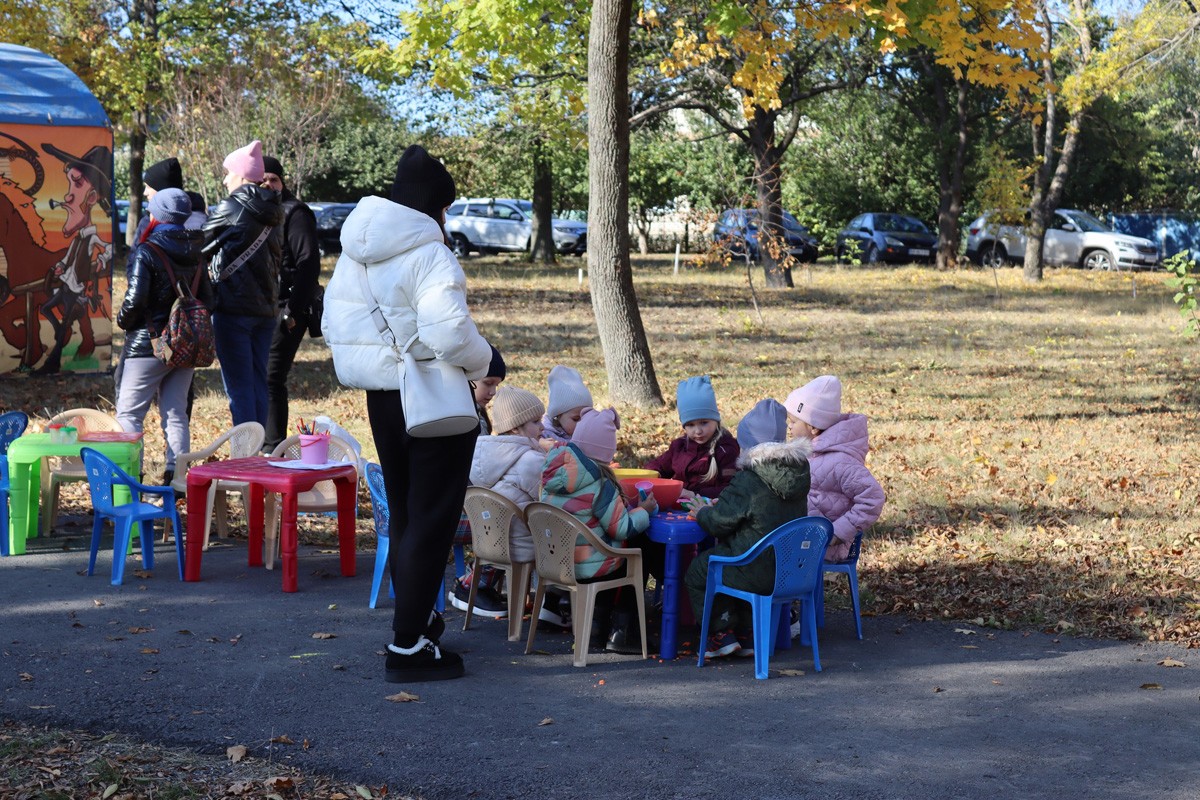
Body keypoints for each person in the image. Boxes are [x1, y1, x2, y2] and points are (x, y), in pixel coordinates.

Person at [323, 143, 493, 682]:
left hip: (383, 397)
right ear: (431, 206)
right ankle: (407, 647)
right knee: (433, 519)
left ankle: (416, 622)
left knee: (405, 515)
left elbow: (335, 327)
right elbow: (447, 332)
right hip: (433, 396)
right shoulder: (429, 252)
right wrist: (490, 359)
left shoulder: (356, 250)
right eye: (444, 207)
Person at [683, 432, 813, 658]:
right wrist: (725, 503)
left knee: (700, 570)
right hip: (790, 573)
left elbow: (718, 524)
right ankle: (746, 634)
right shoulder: (796, 477)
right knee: (738, 559)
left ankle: (720, 635)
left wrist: (703, 512)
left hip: (754, 572)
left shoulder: (749, 479)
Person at [541, 407, 658, 654]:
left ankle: (596, 630)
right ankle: (623, 631)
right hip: (590, 566)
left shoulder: (551, 475)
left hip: (555, 562)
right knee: (637, 549)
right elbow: (622, 528)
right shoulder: (600, 483)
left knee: (605, 550)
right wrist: (644, 510)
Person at [113, 188, 211, 479]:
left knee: (130, 413)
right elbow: (210, 300)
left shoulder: (148, 250)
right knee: (176, 413)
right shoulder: (197, 250)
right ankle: (177, 474)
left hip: (147, 345)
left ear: (157, 214)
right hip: (184, 347)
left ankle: (131, 476)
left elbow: (134, 300)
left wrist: (122, 322)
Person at [467, 385, 568, 625]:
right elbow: (553, 502)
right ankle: (553, 605)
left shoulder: (482, 457)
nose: (542, 427)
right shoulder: (529, 461)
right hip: (525, 544)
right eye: (535, 421)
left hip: (490, 542)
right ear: (515, 427)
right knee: (572, 535)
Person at [202, 140, 283, 426]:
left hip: (234, 308)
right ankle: (258, 451)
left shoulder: (232, 206)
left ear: (241, 174)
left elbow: (200, 245)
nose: (225, 179)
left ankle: (245, 455)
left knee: (238, 387)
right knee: (258, 381)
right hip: (266, 309)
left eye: (228, 172)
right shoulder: (275, 208)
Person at [784, 375, 885, 563]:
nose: (789, 427)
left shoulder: (840, 462)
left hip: (823, 546)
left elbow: (873, 498)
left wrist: (836, 533)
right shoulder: (809, 452)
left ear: (813, 427)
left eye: (793, 421)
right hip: (802, 538)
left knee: (762, 558)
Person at [259, 156, 321, 452]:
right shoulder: (257, 213)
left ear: (283, 182)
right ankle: (258, 442)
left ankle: (273, 448)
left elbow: (309, 264)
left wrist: (292, 312)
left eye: (274, 179)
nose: (268, 184)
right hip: (258, 308)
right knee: (259, 378)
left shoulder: (295, 213)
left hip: (286, 308)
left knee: (272, 377)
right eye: (262, 180)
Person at [35, 143, 113, 374]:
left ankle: (54, 361)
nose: (67, 194)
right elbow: (68, 256)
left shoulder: (91, 236)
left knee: (67, 321)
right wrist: (59, 266)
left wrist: (102, 260)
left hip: (76, 291)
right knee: (46, 309)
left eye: (77, 183)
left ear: (91, 199)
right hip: (66, 286)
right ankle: (59, 332)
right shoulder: (78, 237)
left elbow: (107, 248)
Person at [447, 345, 509, 617]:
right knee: (508, 523)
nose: (493, 392)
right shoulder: (462, 418)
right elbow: (477, 471)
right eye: (488, 384)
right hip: (455, 515)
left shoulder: (473, 413)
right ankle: (471, 585)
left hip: (462, 505)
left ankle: (482, 582)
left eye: (497, 385)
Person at [645, 375, 740, 500]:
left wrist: (695, 495)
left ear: (715, 420)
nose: (698, 431)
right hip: (676, 507)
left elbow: (732, 489)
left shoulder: (725, 449)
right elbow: (659, 467)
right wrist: (647, 475)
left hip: (709, 509)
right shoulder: (680, 447)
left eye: (704, 422)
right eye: (690, 425)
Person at [539, 365, 593, 448]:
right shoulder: (544, 436)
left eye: (586, 418)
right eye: (576, 419)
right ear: (558, 415)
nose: (582, 424)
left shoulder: (588, 433)